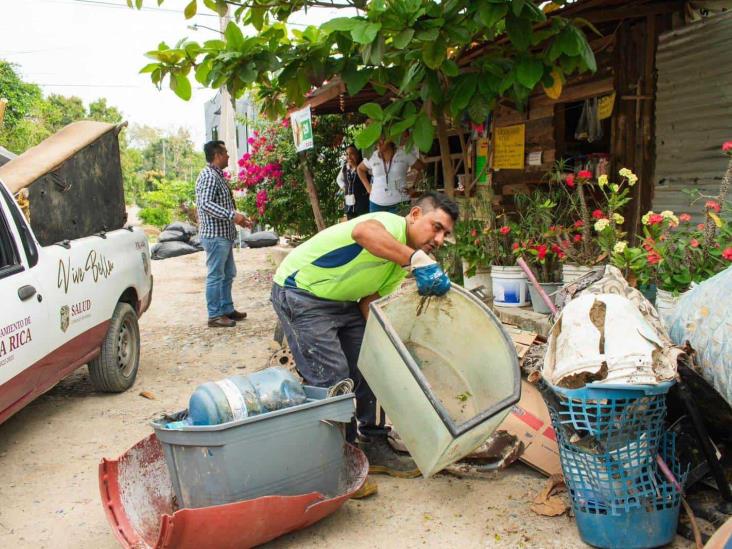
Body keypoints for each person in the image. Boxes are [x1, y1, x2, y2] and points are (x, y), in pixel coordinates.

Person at [270, 192, 458, 494]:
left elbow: (369, 303)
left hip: (342, 302)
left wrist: (388, 345)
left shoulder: (399, 263)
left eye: (445, 234)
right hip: (300, 292)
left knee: (373, 362)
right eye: (436, 227)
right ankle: (338, 463)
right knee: (332, 377)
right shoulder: (386, 224)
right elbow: (362, 232)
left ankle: (374, 442)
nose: (438, 239)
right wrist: (416, 259)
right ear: (414, 215)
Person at [195, 140, 252, 328]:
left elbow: (220, 204)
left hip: (223, 235)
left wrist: (239, 219)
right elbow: (205, 203)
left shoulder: (217, 175)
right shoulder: (209, 175)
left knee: (228, 273)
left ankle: (226, 309)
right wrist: (232, 215)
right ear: (217, 155)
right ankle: (214, 315)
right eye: (225, 153)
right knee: (215, 275)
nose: (228, 156)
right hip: (215, 236)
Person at [357, 138, 425, 214]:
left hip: (400, 203)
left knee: (400, 226)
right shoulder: (372, 156)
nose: (379, 143)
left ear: (390, 138)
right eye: (376, 140)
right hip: (376, 204)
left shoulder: (404, 154)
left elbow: (422, 168)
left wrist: (414, 188)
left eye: (382, 139)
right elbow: (360, 169)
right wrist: (368, 188)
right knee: (377, 226)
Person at [336, 144, 370, 220]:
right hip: (349, 204)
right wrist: (344, 188)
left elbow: (368, 180)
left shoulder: (363, 167)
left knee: (362, 225)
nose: (349, 156)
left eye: (352, 154)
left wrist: (356, 167)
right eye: (347, 154)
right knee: (352, 226)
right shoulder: (345, 167)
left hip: (362, 204)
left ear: (357, 155)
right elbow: (338, 179)